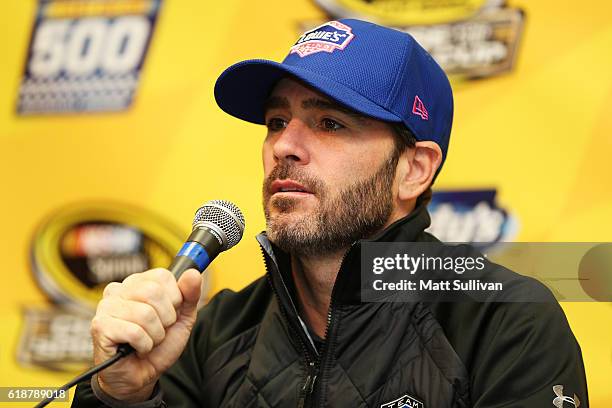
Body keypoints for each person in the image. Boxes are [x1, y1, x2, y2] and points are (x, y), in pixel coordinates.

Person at [72, 19, 588, 407]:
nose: (284, 146)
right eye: (277, 120)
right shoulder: (216, 331)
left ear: (414, 169)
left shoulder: (505, 320)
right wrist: (122, 395)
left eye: (330, 123)